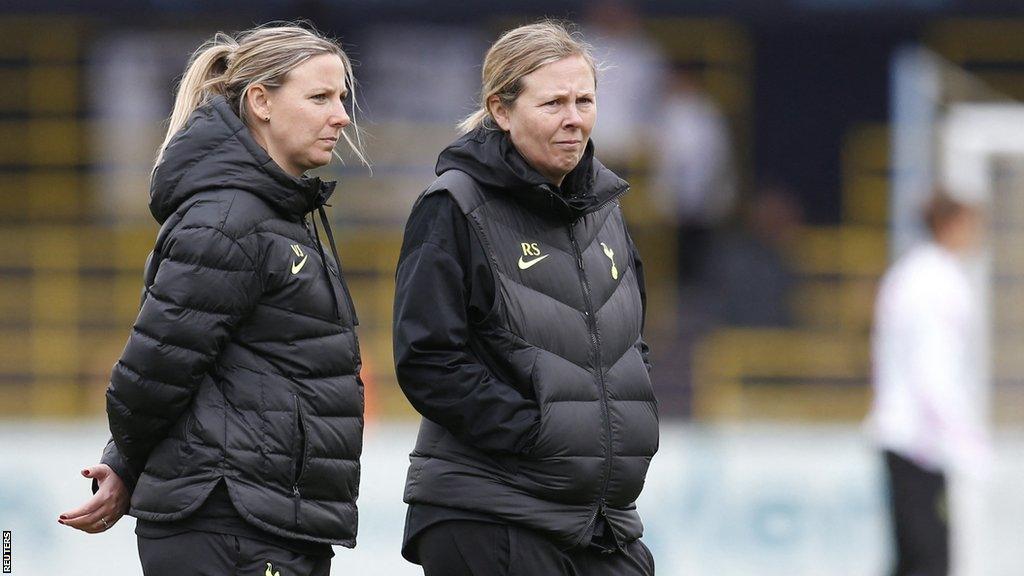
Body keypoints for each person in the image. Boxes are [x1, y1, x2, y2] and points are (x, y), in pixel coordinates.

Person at [57, 22, 367, 576]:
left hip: (263, 517)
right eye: (320, 96)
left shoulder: (274, 214)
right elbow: (152, 370)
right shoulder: (231, 218)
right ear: (261, 102)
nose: (341, 115)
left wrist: (125, 463)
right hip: (231, 522)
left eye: (341, 97)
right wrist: (124, 460)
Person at [393, 20, 659, 575]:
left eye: (585, 100)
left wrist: (619, 423)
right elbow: (428, 361)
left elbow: (628, 346)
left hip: (600, 520)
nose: (574, 118)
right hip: (489, 510)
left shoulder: (606, 210)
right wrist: (541, 429)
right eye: (553, 102)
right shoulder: (453, 205)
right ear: (501, 110)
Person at [866, 193, 991, 576]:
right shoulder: (939, 281)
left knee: (909, 558)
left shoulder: (908, 273)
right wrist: (963, 439)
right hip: (921, 441)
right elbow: (933, 369)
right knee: (930, 559)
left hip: (901, 433)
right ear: (952, 226)